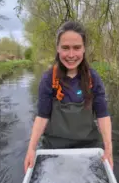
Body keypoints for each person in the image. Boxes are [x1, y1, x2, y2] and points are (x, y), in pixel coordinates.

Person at [23, 21, 113, 172]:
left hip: (88, 147)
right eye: (65, 48)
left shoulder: (93, 78)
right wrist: (31, 149)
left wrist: (108, 148)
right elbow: (42, 116)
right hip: (55, 147)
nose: (71, 55)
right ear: (58, 49)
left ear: (84, 49)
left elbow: (103, 115)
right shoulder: (48, 79)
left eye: (77, 48)